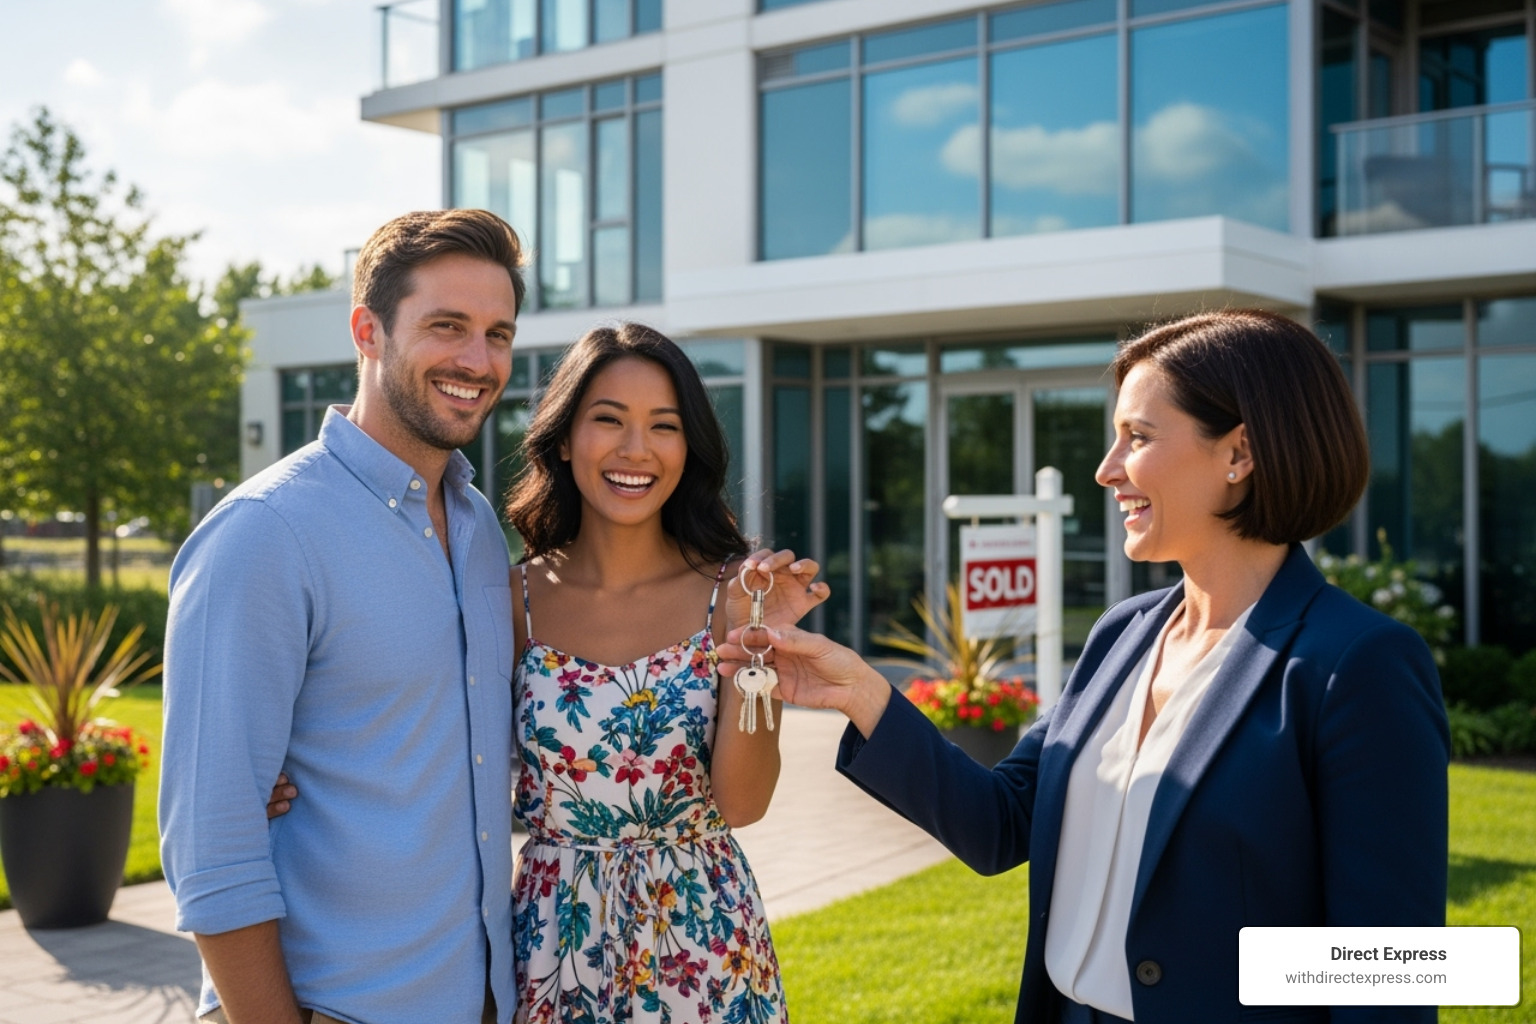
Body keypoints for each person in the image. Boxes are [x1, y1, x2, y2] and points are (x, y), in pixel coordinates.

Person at [719, 310, 1450, 1024]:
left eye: (1137, 437)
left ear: (1240, 455)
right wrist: (863, 693)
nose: (1106, 471)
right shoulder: (1122, 634)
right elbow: (1002, 823)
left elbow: (1385, 965)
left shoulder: (1356, 665)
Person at [160, 208, 526, 1024]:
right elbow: (210, 846)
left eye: (498, 333)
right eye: (447, 326)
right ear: (368, 330)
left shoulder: (477, 536)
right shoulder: (265, 533)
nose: (478, 360)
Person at [503, 322, 825, 1023]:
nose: (635, 450)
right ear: (562, 439)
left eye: (664, 426)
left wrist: (757, 644)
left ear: (689, 448)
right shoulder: (512, 601)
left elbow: (743, 803)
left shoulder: (736, 594)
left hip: (704, 940)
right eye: (608, 420)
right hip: (556, 943)